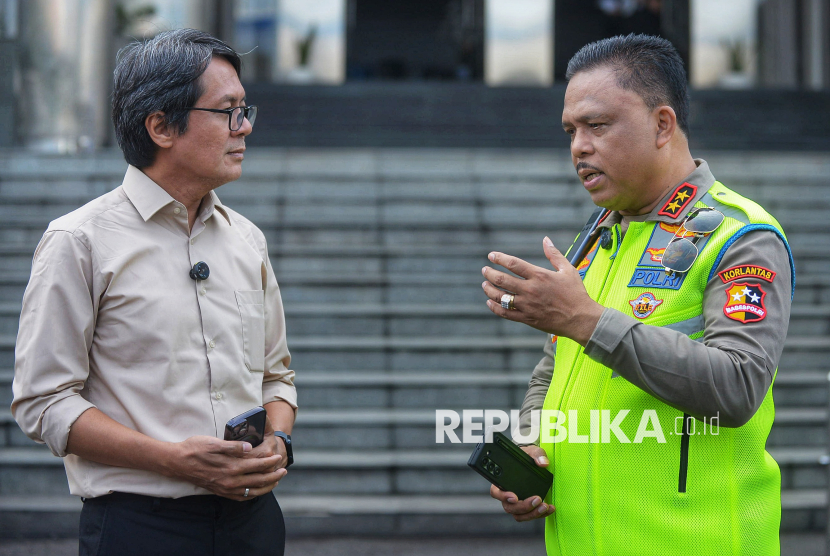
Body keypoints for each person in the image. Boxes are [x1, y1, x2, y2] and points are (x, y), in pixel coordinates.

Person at [481, 34, 793, 556]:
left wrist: (586, 321)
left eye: (597, 125)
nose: (579, 145)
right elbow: (551, 371)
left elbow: (739, 385)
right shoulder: (598, 235)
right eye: (571, 130)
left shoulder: (740, 235)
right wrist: (532, 448)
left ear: (662, 125)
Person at [12, 29, 296, 556]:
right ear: (161, 126)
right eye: (229, 110)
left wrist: (277, 442)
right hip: (139, 528)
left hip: (253, 524)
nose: (247, 126)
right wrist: (169, 458)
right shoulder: (80, 241)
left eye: (245, 108)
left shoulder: (246, 239)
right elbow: (44, 402)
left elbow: (277, 377)